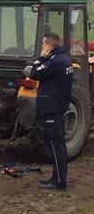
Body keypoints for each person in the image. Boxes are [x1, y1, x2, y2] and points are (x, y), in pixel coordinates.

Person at [24, 32, 73, 190]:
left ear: (50, 46)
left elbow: (34, 73)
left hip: (52, 108)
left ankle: (59, 182)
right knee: (57, 144)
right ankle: (56, 178)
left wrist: (41, 58)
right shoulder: (64, 59)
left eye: (44, 45)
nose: (43, 47)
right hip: (57, 106)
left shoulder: (55, 61)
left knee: (56, 144)